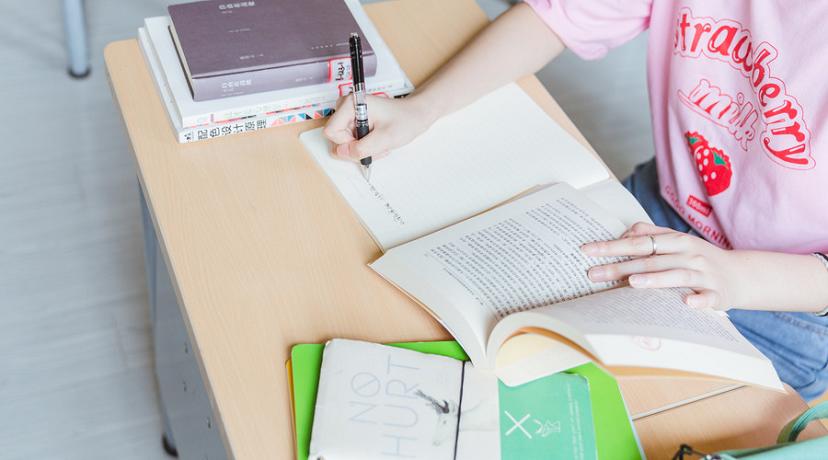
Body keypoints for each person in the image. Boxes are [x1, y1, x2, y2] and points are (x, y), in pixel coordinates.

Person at [323, 1, 828, 400]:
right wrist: (422, 109)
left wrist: (738, 276)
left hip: (784, 300)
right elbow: (557, 17)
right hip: (658, 210)